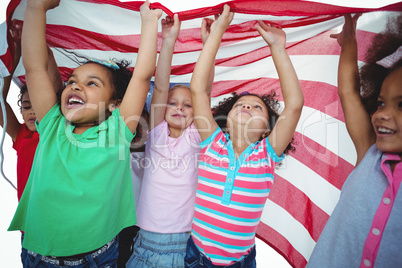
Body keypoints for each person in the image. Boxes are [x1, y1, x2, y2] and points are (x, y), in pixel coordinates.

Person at [7, 0, 162, 267]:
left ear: (114, 104)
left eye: (92, 83)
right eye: (72, 81)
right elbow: (34, 67)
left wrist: (149, 24)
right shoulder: (53, 124)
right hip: (38, 256)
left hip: (98, 258)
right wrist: (36, 8)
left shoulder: (117, 131)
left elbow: (141, 77)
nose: (76, 86)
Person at [185, 5, 304, 267]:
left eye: (256, 107)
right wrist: (216, 36)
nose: (246, 107)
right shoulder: (212, 143)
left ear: (267, 129)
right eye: (240, 105)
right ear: (225, 121)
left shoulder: (267, 154)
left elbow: (294, 104)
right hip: (195, 256)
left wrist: (277, 48)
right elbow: (197, 90)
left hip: (240, 262)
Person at [306, 13, 402, 268]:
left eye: (401, 105)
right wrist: (349, 44)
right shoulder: (370, 152)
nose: (381, 113)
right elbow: (349, 92)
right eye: (381, 103)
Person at [126, 13, 215, 268]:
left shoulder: (198, 134)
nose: (180, 108)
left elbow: (204, 91)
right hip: (144, 244)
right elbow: (161, 87)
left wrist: (209, 44)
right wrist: (168, 41)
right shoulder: (157, 132)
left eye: (188, 105)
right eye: (173, 103)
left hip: (185, 244)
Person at [0, 20, 62, 201]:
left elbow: (56, 90)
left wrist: (42, 47)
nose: (33, 112)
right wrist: (14, 56)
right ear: (20, 111)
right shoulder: (21, 135)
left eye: (39, 105)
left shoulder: (57, 130)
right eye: (27, 107)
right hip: (29, 225)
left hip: (60, 218)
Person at [117, 106, 149, 268]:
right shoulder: (116, 154)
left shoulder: (154, 155)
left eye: (142, 125)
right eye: (132, 126)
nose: (136, 132)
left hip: (143, 224)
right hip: (119, 222)